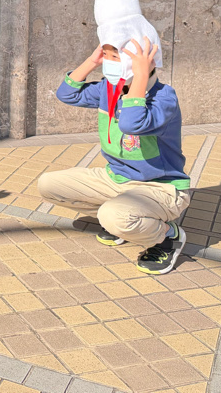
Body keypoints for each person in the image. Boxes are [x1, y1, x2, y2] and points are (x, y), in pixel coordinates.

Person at [39, 38, 190, 274]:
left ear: (140, 62)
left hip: (160, 188)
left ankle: (167, 236)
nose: (108, 63)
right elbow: (67, 94)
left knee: (114, 216)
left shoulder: (163, 97)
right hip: (114, 180)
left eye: (115, 57)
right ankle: (122, 219)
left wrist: (141, 76)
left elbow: (132, 124)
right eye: (106, 56)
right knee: (48, 184)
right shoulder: (108, 89)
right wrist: (92, 61)